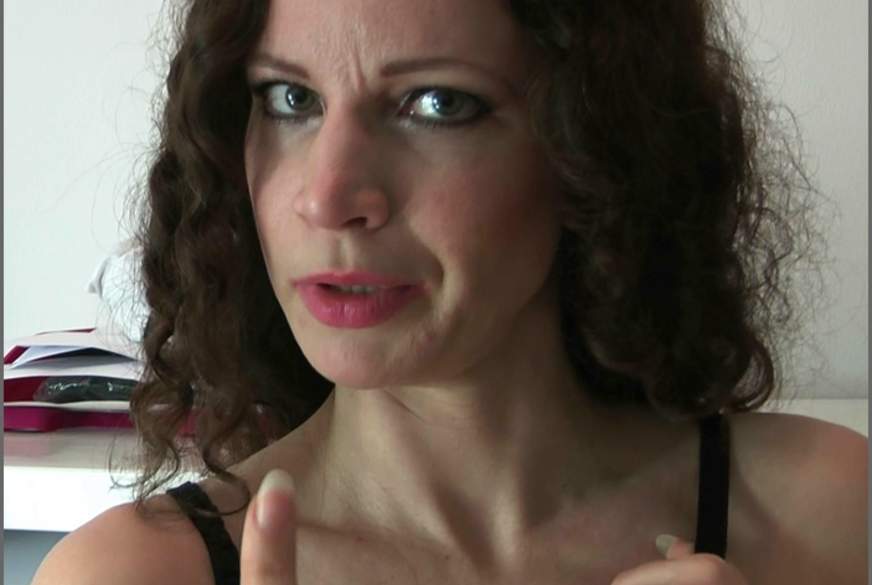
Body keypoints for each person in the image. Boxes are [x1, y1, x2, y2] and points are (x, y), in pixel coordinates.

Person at [33, 0, 867, 584]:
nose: (327, 196)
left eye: (436, 104)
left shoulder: (828, 516)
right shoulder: (126, 574)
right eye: (290, 99)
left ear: (597, 144)